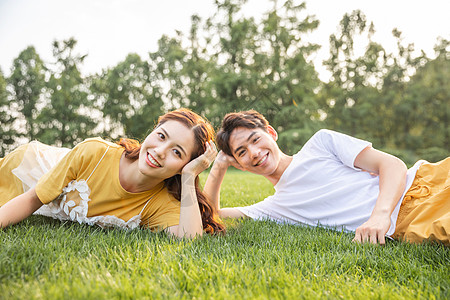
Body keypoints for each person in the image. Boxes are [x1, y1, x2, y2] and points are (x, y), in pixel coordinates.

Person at [204, 110, 449, 245]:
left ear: (271, 133)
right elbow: (211, 216)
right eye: (242, 153)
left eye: (255, 140)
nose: (254, 153)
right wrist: (219, 166)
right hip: (413, 221)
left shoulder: (321, 143)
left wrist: (380, 216)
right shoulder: (274, 208)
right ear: (241, 165)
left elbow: (391, 164)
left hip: (423, 180)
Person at [0, 108, 224, 238]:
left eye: (177, 152)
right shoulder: (94, 151)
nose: (160, 151)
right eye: (162, 136)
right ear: (153, 131)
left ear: (186, 164)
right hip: (25, 171)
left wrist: (188, 177)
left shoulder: (160, 202)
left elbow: (190, 239)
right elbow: (33, 198)